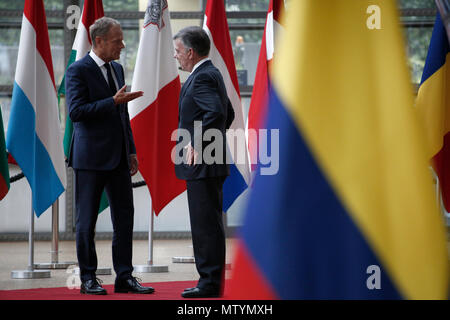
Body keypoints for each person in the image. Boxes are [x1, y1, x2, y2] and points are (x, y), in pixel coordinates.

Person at [65, 17, 154, 295]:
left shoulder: (116, 68)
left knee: (124, 218)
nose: (122, 45)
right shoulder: (77, 71)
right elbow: (76, 112)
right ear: (99, 41)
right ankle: (88, 278)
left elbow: (122, 114)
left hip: (118, 157)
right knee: (86, 221)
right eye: (117, 41)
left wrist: (131, 150)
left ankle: (124, 277)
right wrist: (111, 102)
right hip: (89, 158)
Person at [173, 26, 235, 298]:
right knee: (207, 223)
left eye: (177, 52)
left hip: (204, 163)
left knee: (205, 225)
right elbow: (227, 114)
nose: (176, 57)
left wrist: (198, 144)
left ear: (190, 52)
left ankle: (208, 284)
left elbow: (218, 112)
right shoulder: (210, 73)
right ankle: (209, 281)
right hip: (209, 161)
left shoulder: (202, 77)